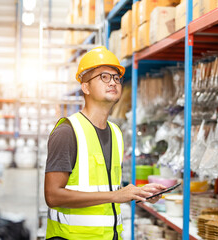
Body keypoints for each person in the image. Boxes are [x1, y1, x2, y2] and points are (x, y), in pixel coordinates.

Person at [44, 46, 166, 240]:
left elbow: (108, 190)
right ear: (85, 87)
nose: (113, 82)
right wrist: (114, 196)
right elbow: (52, 196)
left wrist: (138, 194)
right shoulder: (67, 131)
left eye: (116, 78)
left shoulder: (116, 133)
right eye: (104, 77)